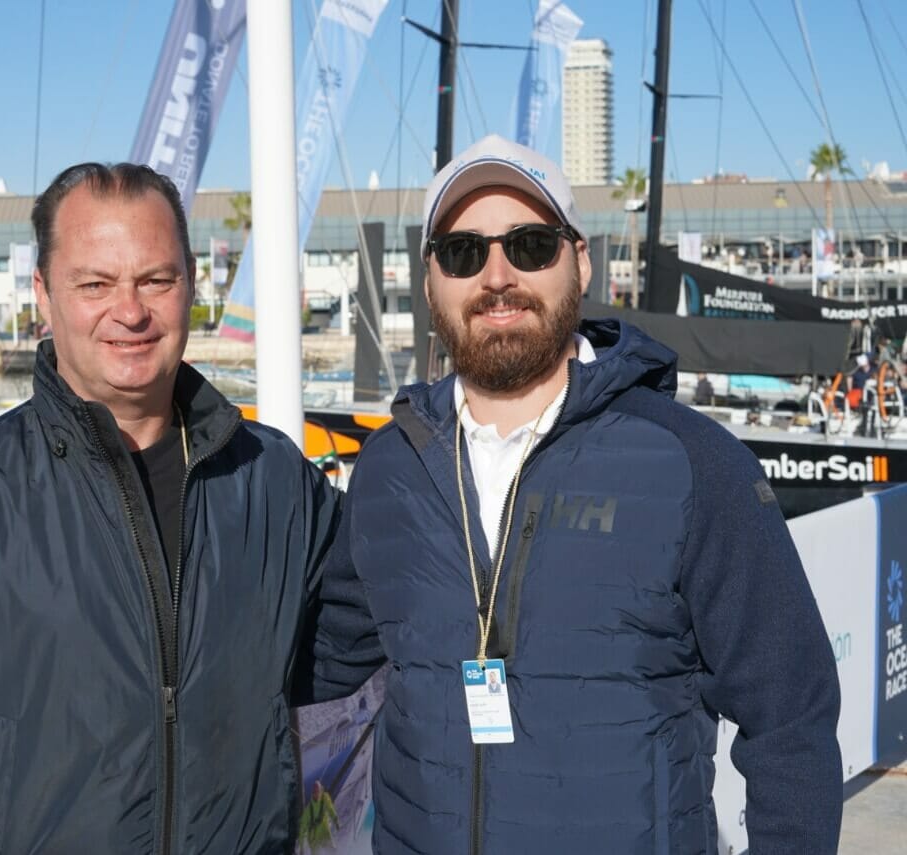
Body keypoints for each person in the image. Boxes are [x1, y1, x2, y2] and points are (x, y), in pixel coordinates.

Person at [297, 134, 842, 853]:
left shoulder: (691, 462)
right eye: (463, 252)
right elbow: (323, 664)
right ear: (430, 280)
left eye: (529, 245)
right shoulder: (389, 468)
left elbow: (790, 714)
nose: (496, 275)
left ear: (579, 261)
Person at [0, 163, 341, 853]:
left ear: (190, 284)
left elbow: (372, 631)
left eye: (155, 280)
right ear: (45, 294)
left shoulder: (273, 479)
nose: (130, 311)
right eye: (95, 284)